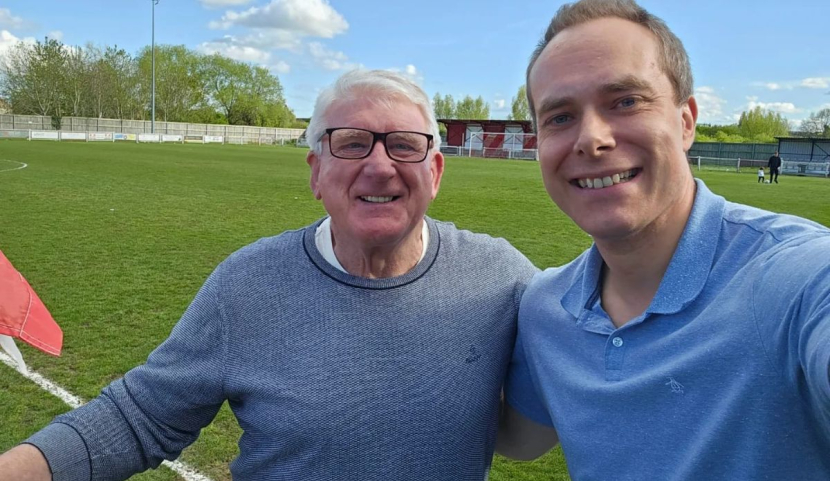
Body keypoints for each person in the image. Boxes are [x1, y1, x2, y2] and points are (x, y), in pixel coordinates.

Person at [0, 69, 537, 481]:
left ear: (435, 171)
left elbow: (600, 350)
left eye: (404, 144)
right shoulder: (248, 284)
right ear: (316, 173)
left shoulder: (500, 278)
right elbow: (139, 418)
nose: (379, 165)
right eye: (351, 142)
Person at [497, 0, 830, 480]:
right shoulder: (547, 309)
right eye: (560, 117)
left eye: (626, 101)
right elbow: (520, 441)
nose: (592, 138)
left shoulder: (794, 277)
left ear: (685, 120)